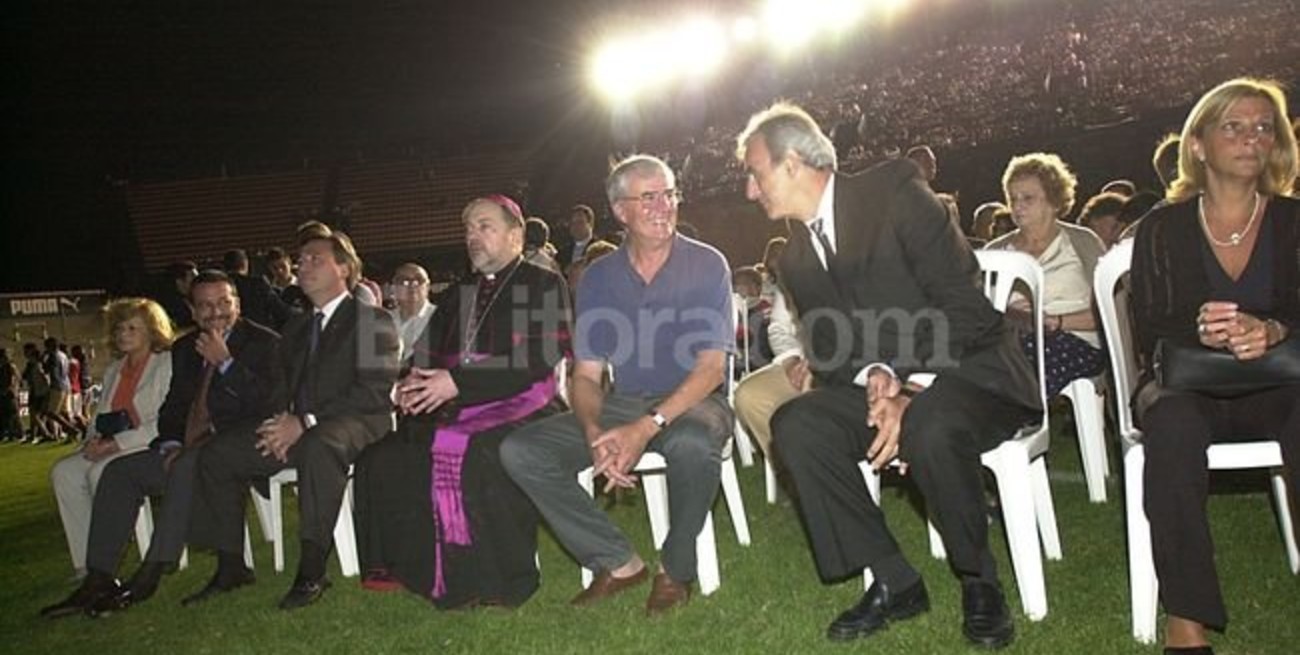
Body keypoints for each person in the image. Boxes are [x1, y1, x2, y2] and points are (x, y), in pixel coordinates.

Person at [735, 102, 1040, 649]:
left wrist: (913, 385)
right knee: (798, 423)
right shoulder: (797, 258)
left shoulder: (894, 191)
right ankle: (896, 580)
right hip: (894, 383)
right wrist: (876, 376)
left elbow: (961, 303)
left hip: (971, 371)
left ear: (793, 163)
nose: (750, 193)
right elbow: (830, 354)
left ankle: (979, 580)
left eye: (755, 174)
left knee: (929, 424)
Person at [501, 155, 734, 616]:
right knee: (521, 449)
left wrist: (645, 428)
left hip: (695, 400)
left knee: (690, 444)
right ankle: (618, 561)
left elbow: (711, 369)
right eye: (648, 197)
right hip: (625, 402)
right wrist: (593, 434)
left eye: (669, 193)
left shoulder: (707, 264)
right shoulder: (600, 278)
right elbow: (586, 376)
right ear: (620, 210)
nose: (664, 205)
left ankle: (675, 568)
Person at [1128, 77, 1299, 655]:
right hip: (1186, 385)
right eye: (1234, 126)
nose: (1252, 137)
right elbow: (1148, 328)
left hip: (1281, 382)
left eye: (1263, 127)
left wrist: (1276, 330)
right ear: (1198, 145)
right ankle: (1187, 619)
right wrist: (1198, 328)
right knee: (1172, 425)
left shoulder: (1294, 221)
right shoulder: (1161, 227)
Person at [354, 195, 571, 609]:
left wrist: (457, 382)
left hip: (523, 404)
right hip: (453, 405)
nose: (472, 236)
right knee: (380, 458)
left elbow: (537, 358)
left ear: (515, 234)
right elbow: (426, 352)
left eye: (484, 226)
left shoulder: (542, 284)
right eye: (468, 229)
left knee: (475, 455)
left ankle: (496, 581)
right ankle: (405, 566)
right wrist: (410, 381)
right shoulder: (459, 292)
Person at [41, 271, 282, 618]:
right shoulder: (184, 349)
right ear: (193, 311)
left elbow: (268, 405)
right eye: (205, 306)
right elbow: (173, 408)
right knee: (120, 472)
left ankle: (152, 570)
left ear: (237, 304)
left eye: (223, 303)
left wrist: (225, 363)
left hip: (237, 446)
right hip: (186, 449)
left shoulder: (265, 343)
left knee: (188, 463)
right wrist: (168, 443)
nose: (215, 312)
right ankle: (98, 577)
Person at [185, 229, 400, 610]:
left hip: (360, 423)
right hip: (302, 426)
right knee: (219, 452)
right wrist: (277, 423)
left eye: (315, 258)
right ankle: (231, 564)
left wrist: (306, 421)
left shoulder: (373, 320)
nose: (303, 265)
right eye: (300, 260)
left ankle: (313, 569)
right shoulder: (297, 328)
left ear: (345, 268)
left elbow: (373, 391)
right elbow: (277, 391)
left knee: (318, 444)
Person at [48, 299, 174, 580]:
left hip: (146, 442)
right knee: (64, 472)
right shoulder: (114, 369)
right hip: (110, 442)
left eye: (132, 328)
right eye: (119, 328)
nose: (123, 334)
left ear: (152, 330)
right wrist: (92, 441)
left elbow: (165, 422)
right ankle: (85, 562)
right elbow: (98, 418)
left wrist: (116, 444)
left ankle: (105, 561)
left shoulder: (166, 364)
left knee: (101, 472)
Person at [987, 152, 1107, 398]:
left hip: (1076, 342)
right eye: (1012, 198)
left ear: (1053, 201)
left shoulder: (1082, 242)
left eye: (1028, 198)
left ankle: (1004, 419)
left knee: (1021, 359)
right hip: (1013, 344)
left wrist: (1055, 321)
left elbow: (1109, 312)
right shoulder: (995, 252)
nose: (1017, 206)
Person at [224, 248, 292, 330]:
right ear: (246, 264)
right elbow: (281, 311)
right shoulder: (258, 284)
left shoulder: (217, 288)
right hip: (258, 336)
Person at [390, 262, 437, 362]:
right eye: (404, 282)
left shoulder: (440, 318)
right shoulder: (384, 319)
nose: (412, 286)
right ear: (394, 289)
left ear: (428, 287)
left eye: (419, 281)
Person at [557, 204, 596, 272]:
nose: (576, 226)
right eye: (572, 223)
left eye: (580, 222)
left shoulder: (599, 250)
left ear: (590, 224)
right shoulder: (562, 253)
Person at [0, 348, 22, 440]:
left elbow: (14, 379)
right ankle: (10, 433)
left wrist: (9, 388)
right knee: (7, 414)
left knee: (13, 413)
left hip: (10, 393)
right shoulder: (4, 367)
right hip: (7, 393)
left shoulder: (10, 366)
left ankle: (19, 432)